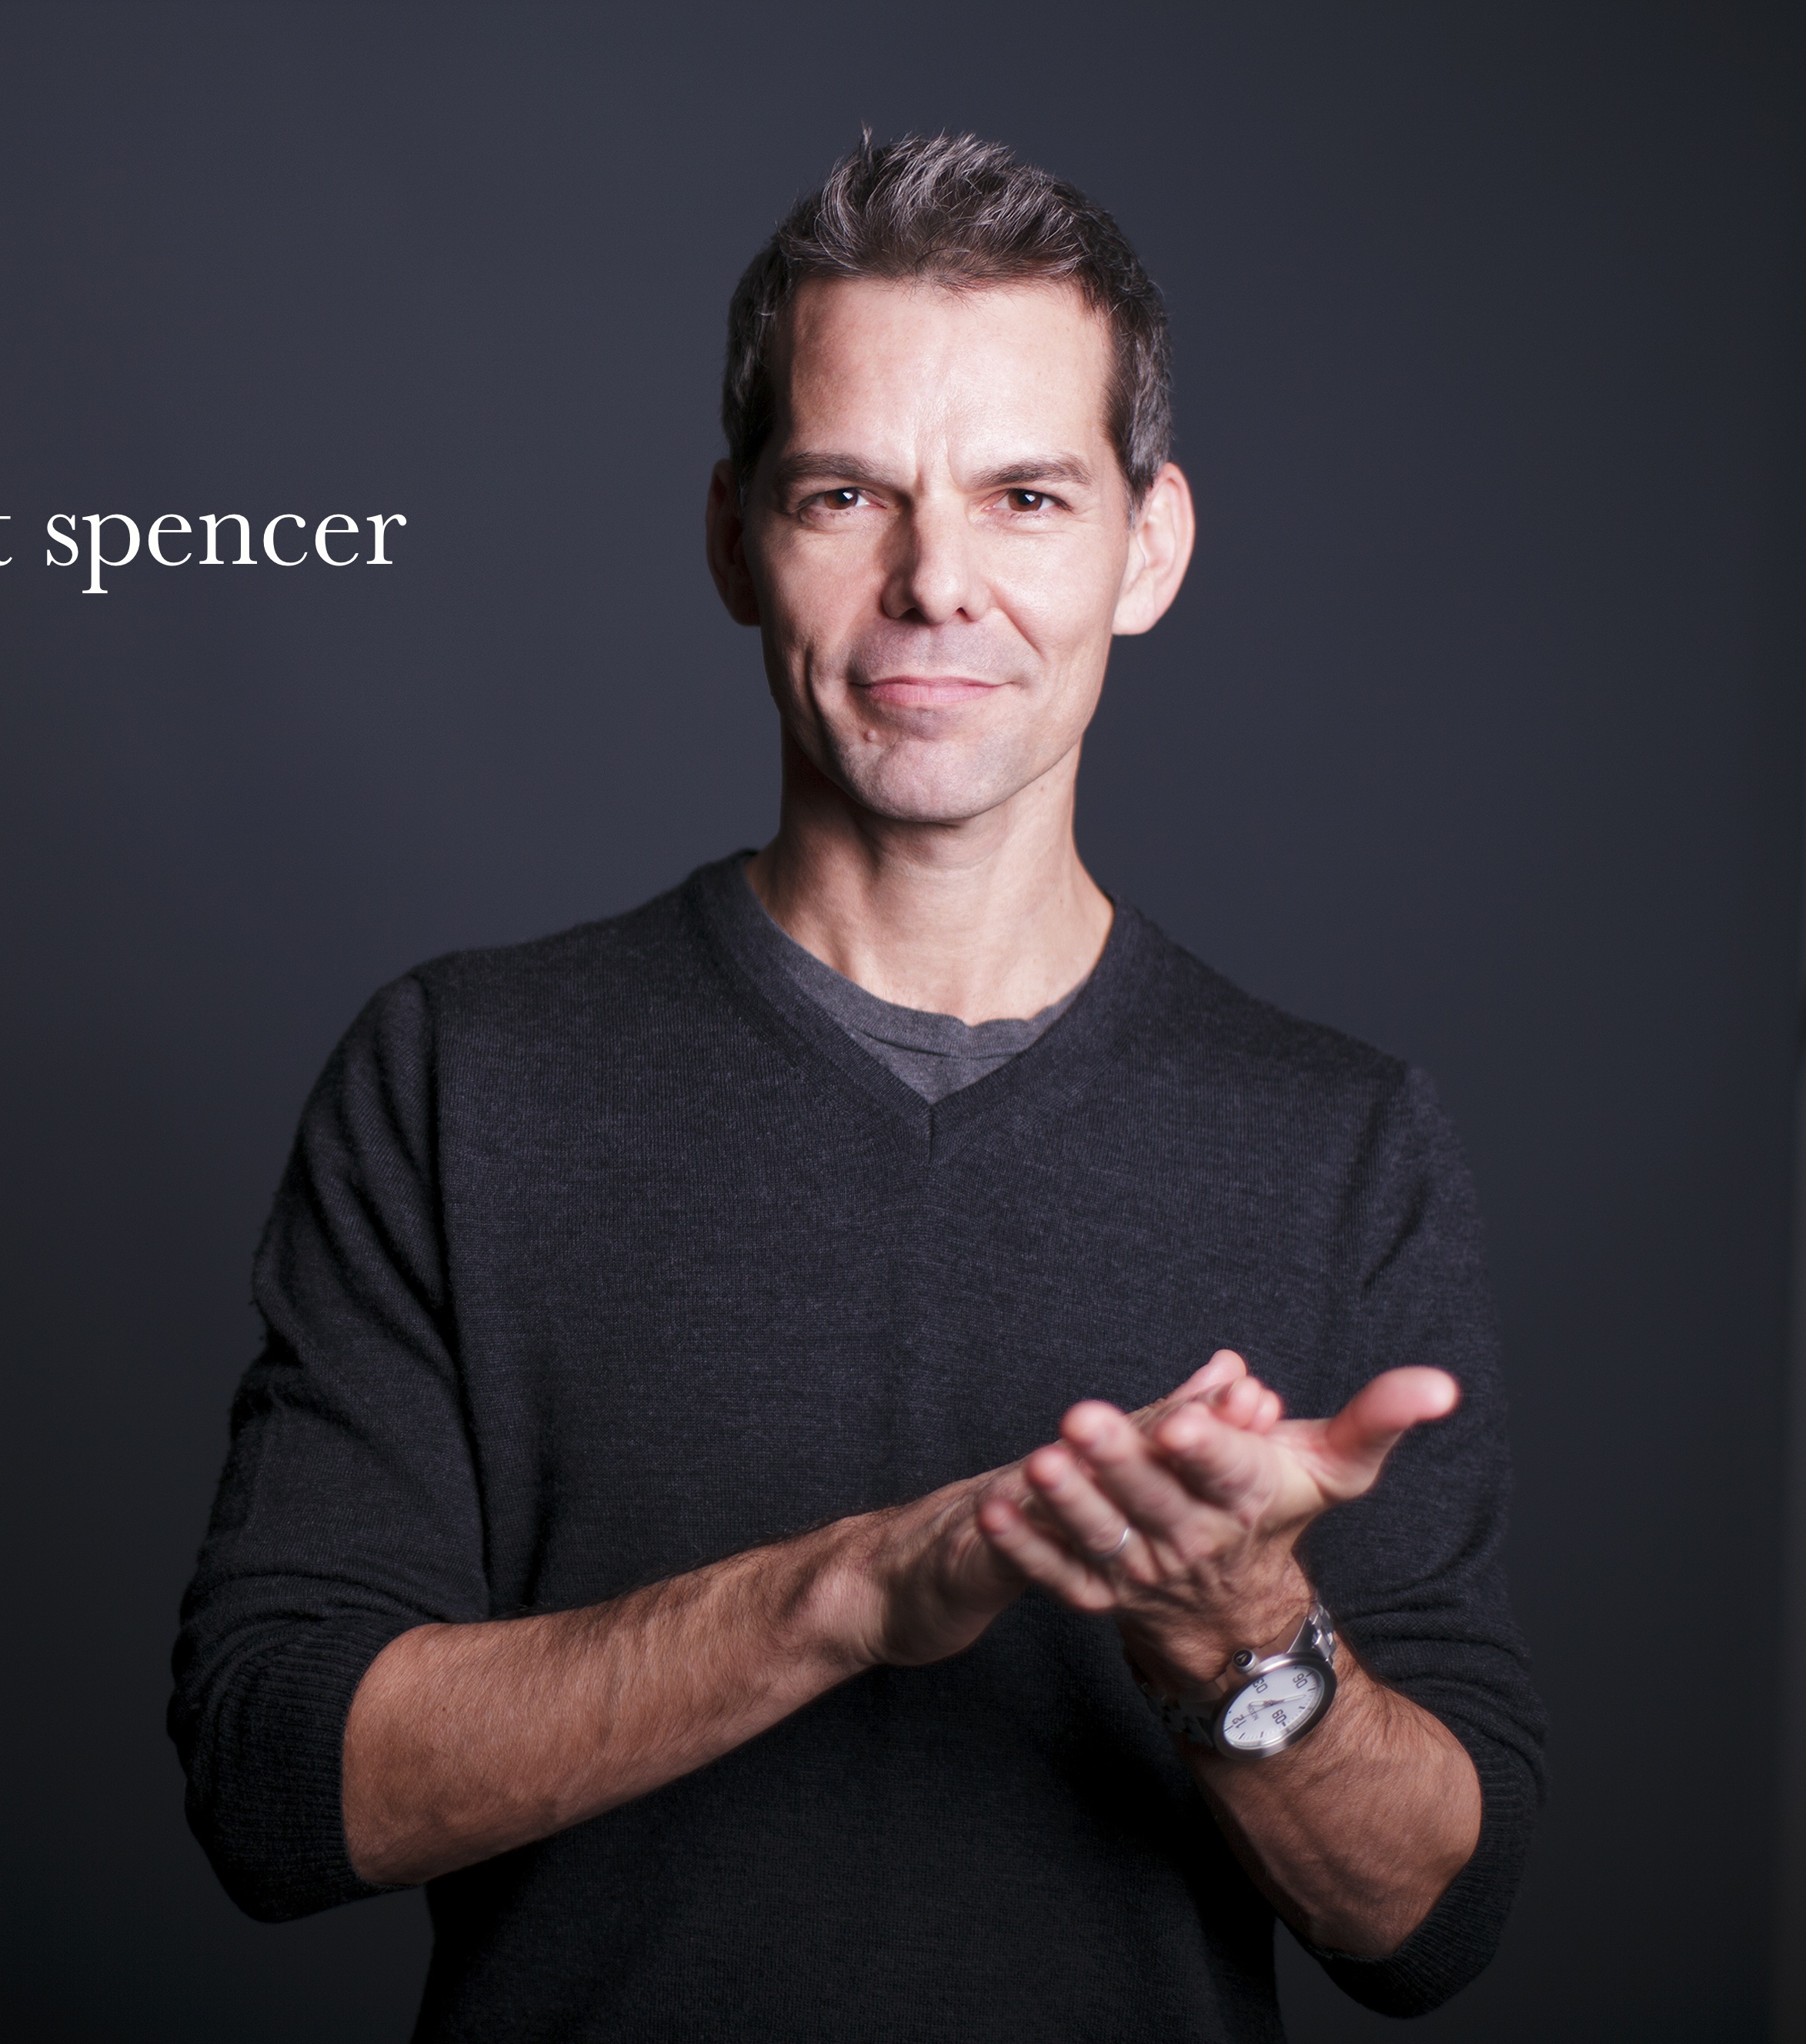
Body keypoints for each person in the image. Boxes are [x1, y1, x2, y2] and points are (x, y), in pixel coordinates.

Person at [168, 132, 1542, 2043]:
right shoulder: (459, 1077)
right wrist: (851, 1595)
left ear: (1147, 548)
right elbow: (273, 1785)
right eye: (844, 495)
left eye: (1024, 498)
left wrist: (1234, 1632)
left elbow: (1427, 1925)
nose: (933, 585)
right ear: (732, 537)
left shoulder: (1339, 1141)